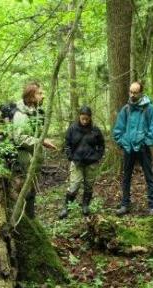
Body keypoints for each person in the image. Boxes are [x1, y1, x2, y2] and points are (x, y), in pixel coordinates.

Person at [11, 81, 57, 219]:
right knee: (23, 194)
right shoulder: (21, 115)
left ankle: (30, 222)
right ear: (31, 96)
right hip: (21, 163)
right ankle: (24, 225)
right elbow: (19, 138)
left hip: (30, 162)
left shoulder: (33, 113)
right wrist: (42, 142)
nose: (43, 96)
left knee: (30, 193)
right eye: (40, 93)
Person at [113, 81, 153, 216]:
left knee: (149, 176)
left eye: (135, 92)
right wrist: (124, 142)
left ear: (141, 93)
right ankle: (125, 204)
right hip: (129, 149)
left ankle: (152, 206)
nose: (132, 95)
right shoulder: (126, 109)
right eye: (131, 92)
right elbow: (118, 131)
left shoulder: (149, 108)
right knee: (126, 177)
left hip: (143, 149)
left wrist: (146, 142)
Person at [59, 106, 105, 218]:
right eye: (82, 118)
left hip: (91, 162)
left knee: (89, 185)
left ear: (90, 118)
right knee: (74, 185)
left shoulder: (95, 129)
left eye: (87, 119)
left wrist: (98, 156)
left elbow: (102, 145)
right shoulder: (72, 128)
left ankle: (85, 206)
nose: (84, 121)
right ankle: (66, 207)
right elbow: (67, 144)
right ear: (79, 116)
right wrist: (70, 156)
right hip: (77, 162)